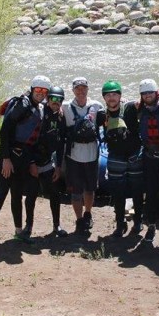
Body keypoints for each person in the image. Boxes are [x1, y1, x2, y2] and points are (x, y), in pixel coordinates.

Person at [0, 75, 50, 255]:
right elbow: (5, 131)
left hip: (23, 159)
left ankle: (19, 232)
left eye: (44, 91)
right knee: (0, 195)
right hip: (10, 157)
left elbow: (33, 141)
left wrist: (32, 161)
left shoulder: (39, 108)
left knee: (17, 196)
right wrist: (5, 159)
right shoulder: (22, 105)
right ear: (32, 89)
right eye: (38, 90)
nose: (41, 94)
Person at [96, 80, 143, 237]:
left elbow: (150, 104)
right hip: (115, 156)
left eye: (114, 94)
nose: (111, 98)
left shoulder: (130, 108)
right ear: (104, 98)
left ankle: (138, 221)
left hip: (134, 155)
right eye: (108, 95)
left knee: (137, 190)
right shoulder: (102, 114)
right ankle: (120, 223)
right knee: (117, 192)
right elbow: (98, 134)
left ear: (120, 96)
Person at [129, 79, 159, 244]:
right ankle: (151, 225)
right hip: (150, 155)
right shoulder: (139, 108)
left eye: (150, 93)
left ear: (156, 93)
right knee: (151, 191)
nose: (148, 96)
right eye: (145, 93)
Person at [62, 77, 103, 233]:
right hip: (73, 155)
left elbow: (114, 109)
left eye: (83, 88)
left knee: (90, 189)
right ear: (73, 90)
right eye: (77, 88)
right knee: (76, 191)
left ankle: (88, 214)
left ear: (88, 89)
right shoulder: (65, 107)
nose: (81, 91)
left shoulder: (97, 106)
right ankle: (79, 219)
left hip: (92, 154)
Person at [35, 86, 69, 237]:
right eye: (53, 99)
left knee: (55, 192)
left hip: (49, 160)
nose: (56, 102)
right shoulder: (39, 112)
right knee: (31, 194)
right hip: (33, 160)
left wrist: (58, 167)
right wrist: (30, 163)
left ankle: (57, 225)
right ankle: (28, 227)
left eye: (59, 100)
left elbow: (61, 143)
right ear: (48, 99)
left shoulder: (60, 117)